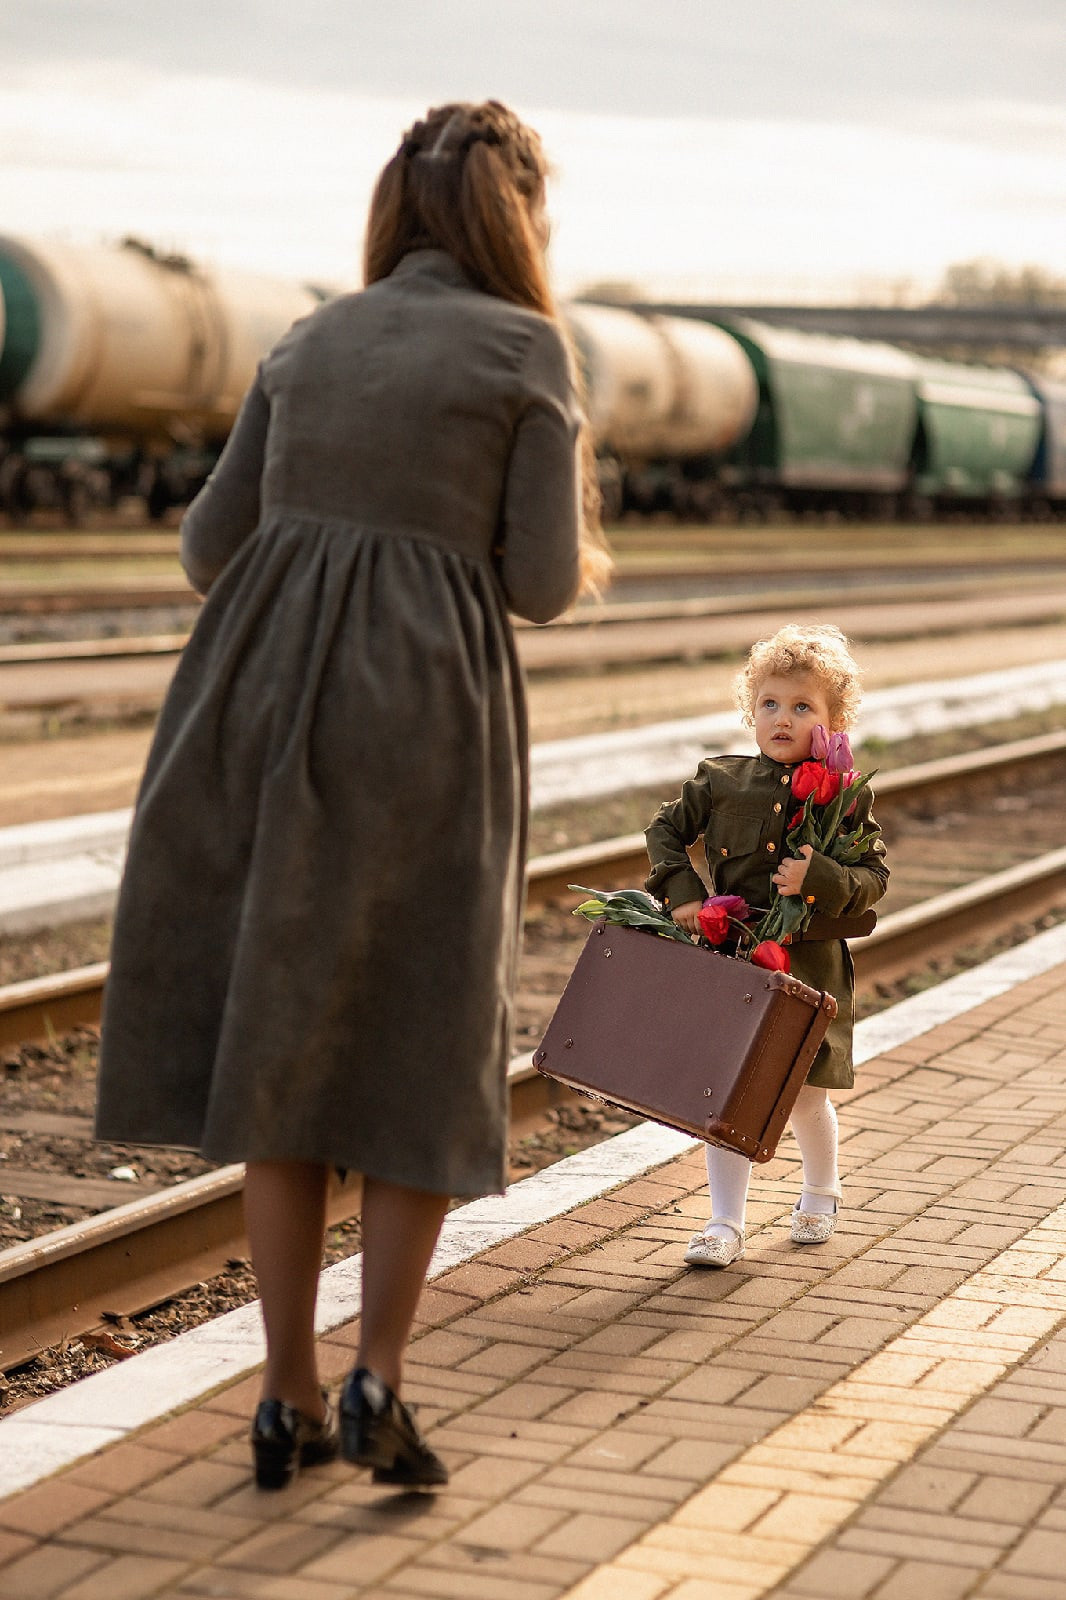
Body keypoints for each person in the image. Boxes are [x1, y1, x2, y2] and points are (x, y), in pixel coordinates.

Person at [95, 99, 610, 1491]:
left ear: (396, 205)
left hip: (255, 707)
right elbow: (540, 584)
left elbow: (209, 547)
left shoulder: (309, 336)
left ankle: (286, 1393)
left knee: (283, 1040)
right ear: (518, 213)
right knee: (418, 1040)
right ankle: (380, 1373)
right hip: (425, 717)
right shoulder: (524, 348)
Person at [644, 624, 888, 1268]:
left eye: (803, 707)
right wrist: (684, 895)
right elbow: (664, 830)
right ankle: (724, 1222)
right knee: (726, 1091)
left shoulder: (846, 796)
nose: (783, 718)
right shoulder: (721, 781)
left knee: (804, 1092)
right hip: (735, 961)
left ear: (834, 722)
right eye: (770, 704)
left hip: (810, 967)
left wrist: (822, 878)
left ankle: (821, 1191)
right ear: (751, 711)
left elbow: (874, 878)